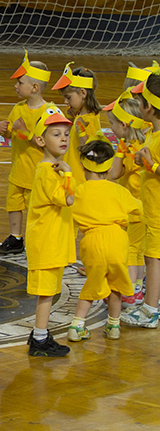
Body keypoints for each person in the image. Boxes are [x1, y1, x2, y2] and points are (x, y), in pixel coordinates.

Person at [68, 140, 141, 342]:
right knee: (116, 286)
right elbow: (138, 210)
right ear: (109, 168)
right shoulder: (119, 191)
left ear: (82, 166)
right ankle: (114, 326)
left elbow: (67, 213)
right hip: (118, 240)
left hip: (92, 241)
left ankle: (77, 325)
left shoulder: (78, 191)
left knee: (92, 284)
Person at [24, 105, 76, 356]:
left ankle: (40, 334)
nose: (64, 138)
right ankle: (40, 339)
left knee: (50, 291)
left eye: (66, 134)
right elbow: (68, 199)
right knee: (46, 294)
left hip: (53, 240)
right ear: (41, 140)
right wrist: (69, 175)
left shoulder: (52, 168)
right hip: (46, 243)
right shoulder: (48, 172)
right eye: (56, 134)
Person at [0, 52, 51, 255]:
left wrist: (24, 132)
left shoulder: (48, 112)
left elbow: (47, 144)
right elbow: (11, 133)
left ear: (34, 87)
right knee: (13, 204)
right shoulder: (17, 108)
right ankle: (16, 237)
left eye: (20, 82)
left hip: (37, 174)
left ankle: (38, 240)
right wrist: (0, 129)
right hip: (18, 170)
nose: (16, 86)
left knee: (36, 209)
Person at [122, 74, 160, 328]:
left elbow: (154, 164)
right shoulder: (153, 132)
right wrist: (141, 160)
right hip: (152, 210)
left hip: (158, 213)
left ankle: (150, 310)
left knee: (153, 259)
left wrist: (151, 165)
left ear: (149, 107)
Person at [105, 90, 149, 309]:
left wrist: (120, 152)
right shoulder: (144, 143)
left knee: (130, 249)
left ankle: (129, 291)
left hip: (135, 207)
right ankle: (138, 288)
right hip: (146, 207)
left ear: (124, 125)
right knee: (139, 250)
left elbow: (113, 174)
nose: (110, 128)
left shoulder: (130, 150)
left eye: (112, 123)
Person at [51, 64, 102, 185]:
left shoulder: (89, 121)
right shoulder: (81, 116)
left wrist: (82, 133)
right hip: (73, 175)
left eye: (68, 97)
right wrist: (72, 119)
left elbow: (92, 153)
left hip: (80, 180)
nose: (65, 102)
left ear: (83, 93)